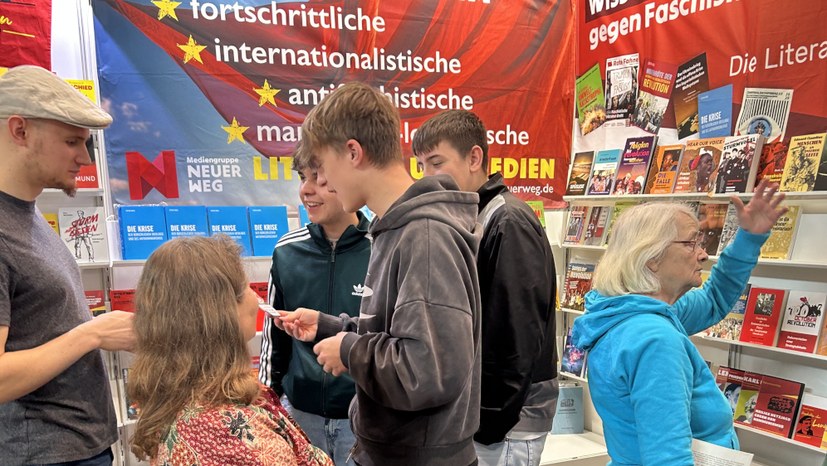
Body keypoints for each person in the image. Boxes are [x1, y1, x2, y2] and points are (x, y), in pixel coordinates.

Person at [277, 82, 482, 466]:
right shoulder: (395, 228)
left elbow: (428, 370)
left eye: (324, 167)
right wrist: (332, 328)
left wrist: (350, 351)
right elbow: (398, 330)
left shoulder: (424, 236)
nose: (324, 183)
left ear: (353, 152)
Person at [571, 179, 787, 465]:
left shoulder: (624, 313)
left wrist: (748, 239)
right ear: (651, 257)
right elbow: (668, 458)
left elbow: (713, 299)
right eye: (690, 243)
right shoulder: (655, 339)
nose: (703, 254)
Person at [0, 64, 136, 465]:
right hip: (44, 454)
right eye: (72, 141)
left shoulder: (29, 216)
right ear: (20, 131)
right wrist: (92, 334)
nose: (84, 158)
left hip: (82, 446)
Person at [412, 110, 558, 466]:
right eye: (421, 166)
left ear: (474, 158)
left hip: (505, 426)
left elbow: (514, 337)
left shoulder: (507, 220)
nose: (428, 176)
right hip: (480, 420)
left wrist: (487, 424)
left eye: (437, 163)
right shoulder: (472, 217)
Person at [128, 235, 332, 466]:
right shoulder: (228, 435)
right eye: (247, 287)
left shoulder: (174, 393)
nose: (256, 299)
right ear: (221, 310)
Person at [259, 142, 371, 465]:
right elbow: (273, 340)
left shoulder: (381, 247)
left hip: (362, 420)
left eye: (319, 178)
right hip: (300, 417)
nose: (306, 190)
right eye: (302, 177)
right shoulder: (287, 251)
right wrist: (269, 405)